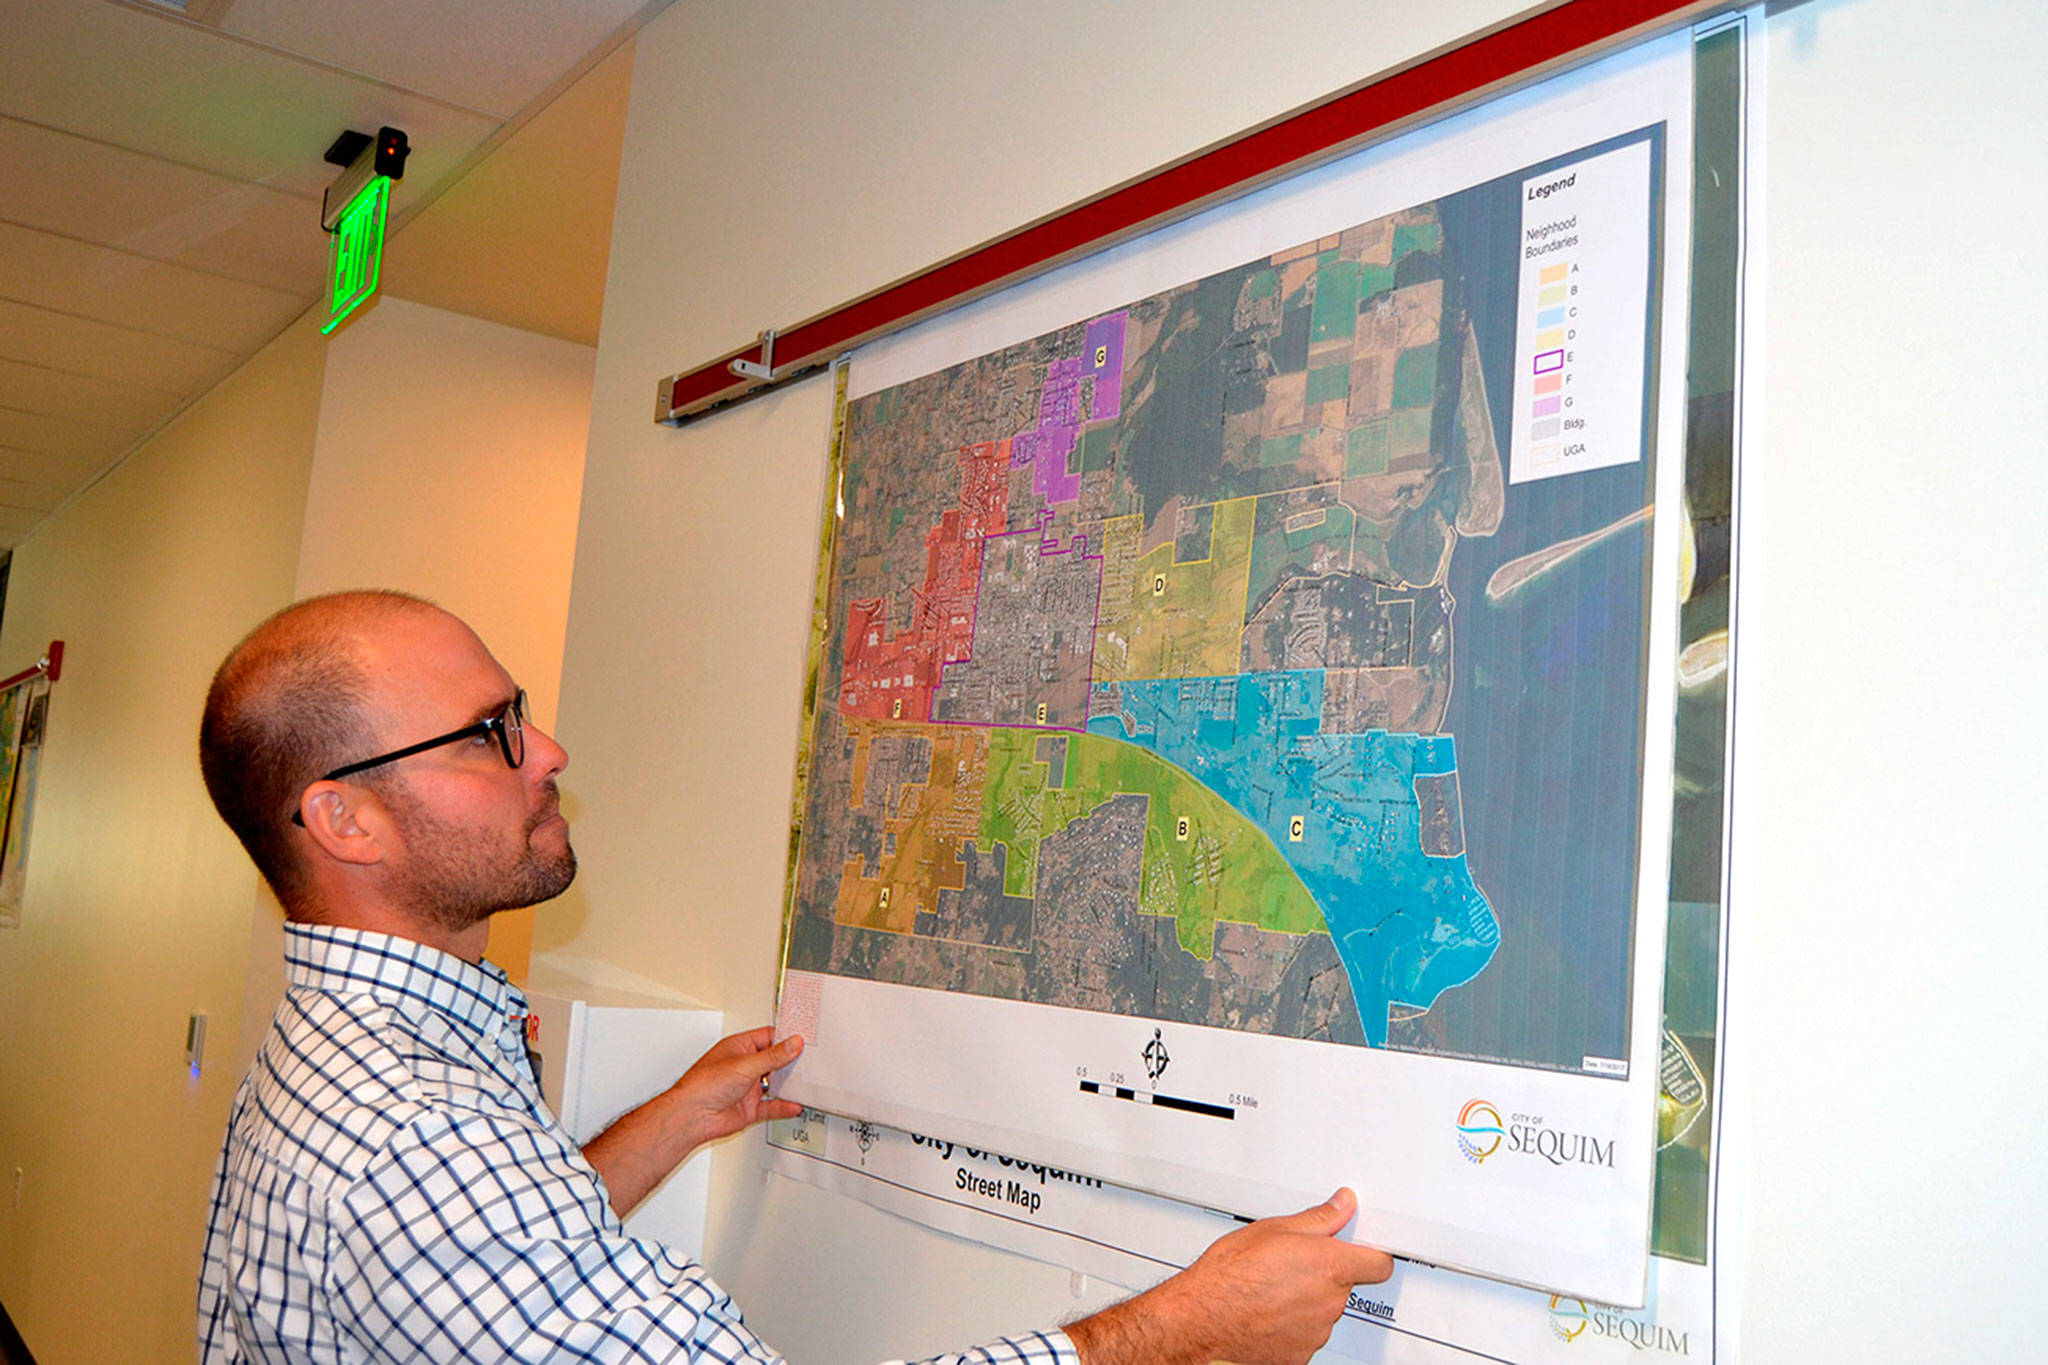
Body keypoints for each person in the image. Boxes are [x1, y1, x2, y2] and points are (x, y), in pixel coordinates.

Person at [196, 590, 1394, 1364]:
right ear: (343, 820)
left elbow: (479, 1275)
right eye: (488, 733)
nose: (547, 750)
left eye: (520, 713)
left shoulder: (348, 1059)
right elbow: (460, 1217)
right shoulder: (418, 1135)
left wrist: (665, 1126)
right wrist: (1186, 1330)